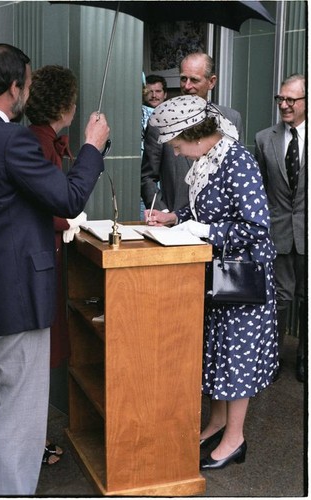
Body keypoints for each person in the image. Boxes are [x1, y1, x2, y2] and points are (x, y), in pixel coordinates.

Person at [0, 43, 109, 495]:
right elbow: (68, 199)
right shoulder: (12, 139)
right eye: (28, 85)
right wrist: (92, 147)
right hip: (15, 296)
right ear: (14, 88)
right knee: (20, 413)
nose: (29, 94)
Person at [145, 95, 278, 470]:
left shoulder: (237, 161)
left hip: (241, 279)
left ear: (195, 135)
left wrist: (202, 229)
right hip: (217, 275)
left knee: (235, 358)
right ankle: (218, 422)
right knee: (217, 354)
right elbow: (206, 207)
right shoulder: (208, 159)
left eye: (178, 144)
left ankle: (235, 440)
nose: (177, 152)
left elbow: (256, 226)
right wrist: (175, 217)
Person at [25, 64, 86, 465]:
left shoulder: (36, 138)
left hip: (41, 263)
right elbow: (50, 205)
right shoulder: (40, 145)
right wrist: (71, 220)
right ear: (65, 106)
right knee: (32, 366)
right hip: (39, 266)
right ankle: (30, 446)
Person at [141, 50, 244, 213]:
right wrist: (163, 213)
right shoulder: (160, 120)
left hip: (216, 228)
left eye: (194, 80)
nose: (187, 86)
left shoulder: (231, 119)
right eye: (183, 79)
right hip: (173, 228)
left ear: (211, 82)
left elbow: (237, 175)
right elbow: (147, 177)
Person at [254, 74, 305, 382]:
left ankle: (305, 358)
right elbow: (260, 188)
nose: (284, 105)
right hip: (278, 232)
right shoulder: (265, 138)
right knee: (280, 298)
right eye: (280, 99)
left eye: (291, 100)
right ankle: (272, 358)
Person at [141, 74, 168, 151]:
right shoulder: (137, 114)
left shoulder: (174, 116)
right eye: (150, 92)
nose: (154, 95)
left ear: (165, 94)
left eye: (158, 91)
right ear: (144, 93)